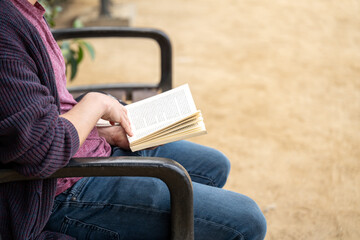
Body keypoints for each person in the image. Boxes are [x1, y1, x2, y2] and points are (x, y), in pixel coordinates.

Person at [0, 0, 267, 239]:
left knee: (214, 166)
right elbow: (42, 148)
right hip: (56, 190)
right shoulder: (5, 30)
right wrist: (97, 103)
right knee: (246, 221)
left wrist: (101, 130)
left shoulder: (27, 9)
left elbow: (39, 109)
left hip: (85, 149)